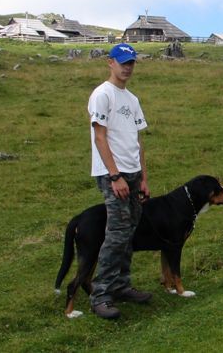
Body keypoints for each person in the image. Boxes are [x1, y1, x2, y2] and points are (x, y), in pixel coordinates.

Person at [87, 43, 152, 319]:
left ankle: (121, 285)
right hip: (113, 174)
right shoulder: (103, 95)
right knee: (116, 234)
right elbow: (100, 137)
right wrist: (115, 176)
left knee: (130, 230)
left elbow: (137, 140)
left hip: (133, 173)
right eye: (123, 62)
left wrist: (144, 178)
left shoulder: (132, 99)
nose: (127, 67)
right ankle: (100, 294)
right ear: (110, 62)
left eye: (131, 63)